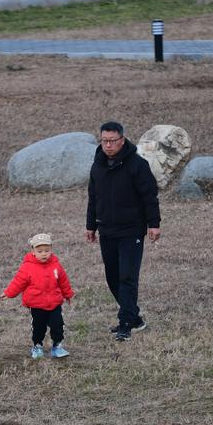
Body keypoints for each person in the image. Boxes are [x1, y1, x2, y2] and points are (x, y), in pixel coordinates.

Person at [86, 121, 161, 342]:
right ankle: (135, 318)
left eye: (112, 141)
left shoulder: (138, 165)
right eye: (104, 141)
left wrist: (154, 224)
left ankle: (125, 323)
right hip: (107, 230)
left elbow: (150, 197)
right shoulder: (97, 165)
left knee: (127, 276)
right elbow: (93, 197)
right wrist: (91, 225)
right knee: (112, 277)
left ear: (122, 140)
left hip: (132, 231)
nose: (108, 145)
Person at [0, 232, 74, 359]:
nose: (44, 253)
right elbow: (18, 282)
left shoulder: (56, 266)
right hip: (37, 305)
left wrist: (68, 294)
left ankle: (57, 346)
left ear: (51, 250)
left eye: (47, 250)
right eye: (40, 251)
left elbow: (63, 281)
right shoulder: (27, 267)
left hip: (55, 303)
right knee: (38, 327)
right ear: (33, 251)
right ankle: (37, 346)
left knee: (58, 325)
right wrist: (8, 293)